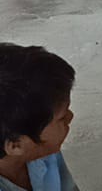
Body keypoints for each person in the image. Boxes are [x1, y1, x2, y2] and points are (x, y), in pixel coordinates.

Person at [0, 44, 78, 191]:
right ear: (16, 145)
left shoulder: (42, 150)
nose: (70, 117)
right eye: (61, 118)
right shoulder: (39, 144)